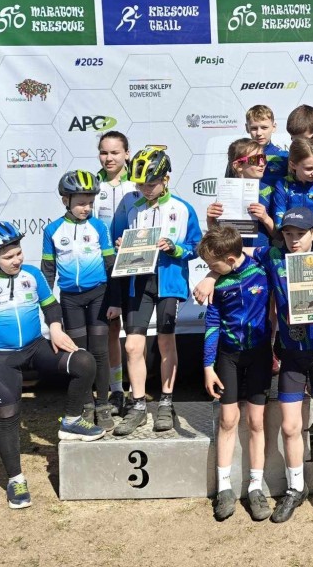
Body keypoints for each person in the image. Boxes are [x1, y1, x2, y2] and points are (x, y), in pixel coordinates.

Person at [0, 222, 104, 509]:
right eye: (8, 257)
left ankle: (71, 420)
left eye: (18, 253)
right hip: (0, 358)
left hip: (35, 347)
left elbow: (51, 305)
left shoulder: (32, 274)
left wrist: (56, 328)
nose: (16, 260)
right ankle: (15, 479)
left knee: (84, 361)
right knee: (7, 417)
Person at [253, 207, 313, 523]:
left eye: (300, 234)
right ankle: (296, 487)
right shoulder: (273, 257)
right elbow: (236, 257)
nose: (294, 240)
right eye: (288, 234)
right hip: (291, 354)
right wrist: (212, 275)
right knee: (290, 426)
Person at [112, 146, 201, 435]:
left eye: (150, 184)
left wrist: (175, 248)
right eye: (140, 185)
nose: (145, 190)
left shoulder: (182, 208)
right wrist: (120, 245)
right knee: (132, 345)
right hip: (138, 281)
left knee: (165, 342)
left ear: (166, 179)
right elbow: (116, 236)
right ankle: (138, 406)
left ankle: (165, 402)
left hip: (169, 282)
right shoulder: (131, 207)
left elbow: (197, 246)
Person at [199, 225, 274, 522]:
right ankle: (224, 488)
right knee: (228, 419)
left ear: (230, 259)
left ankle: (255, 487)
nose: (208, 269)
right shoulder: (217, 283)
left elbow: (280, 249)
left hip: (259, 355)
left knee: (256, 421)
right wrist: (208, 366)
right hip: (228, 357)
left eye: (211, 265)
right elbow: (212, 324)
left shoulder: (262, 269)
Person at [42, 170, 117, 430]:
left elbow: (111, 265)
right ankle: (86, 404)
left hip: (98, 294)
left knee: (100, 351)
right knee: (79, 355)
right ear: (66, 201)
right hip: (70, 299)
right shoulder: (52, 230)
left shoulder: (99, 227)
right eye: (81, 203)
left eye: (90, 203)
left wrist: (115, 300)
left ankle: (103, 404)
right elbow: (48, 271)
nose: (87, 208)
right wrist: (47, 305)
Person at [94, 130, 141, 416]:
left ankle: (137, 391)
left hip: (134, 261)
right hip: (105, 265)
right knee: (112, 327)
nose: (109, 158)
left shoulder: (138, 183)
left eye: (115, 152)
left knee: (135, 329)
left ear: (127, 154)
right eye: (104, 152)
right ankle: (115, 390)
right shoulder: (93, 185)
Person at [268, 138, 313, 251]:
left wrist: (293, 226)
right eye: (309, 168)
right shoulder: (283, 184)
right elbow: (279, 224)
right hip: (291, 250)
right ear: (293, 164)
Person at [207, 137, 274, 248]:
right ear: (238, 166)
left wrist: (266, 218)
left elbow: (279, 237)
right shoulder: (226, 192)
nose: (262, 164)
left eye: (263, 158)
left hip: (260, 256)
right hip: (232, 254)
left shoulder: (270, 191)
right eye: (256, 159)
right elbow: (217, 237)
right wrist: (210, 220)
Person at [245, 104, 289, 184]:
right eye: (254, 128)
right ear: (247, 128)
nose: (259, 133)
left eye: (264, 128)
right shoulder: (239, 155)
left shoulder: (284, 156)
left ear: (274, 127)